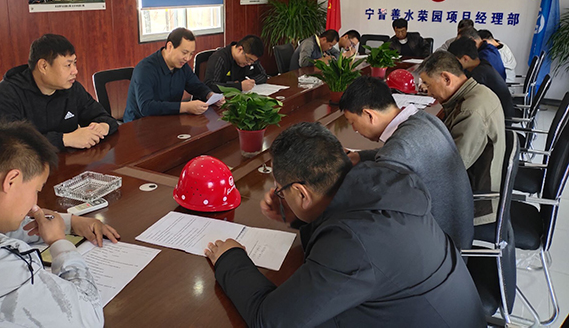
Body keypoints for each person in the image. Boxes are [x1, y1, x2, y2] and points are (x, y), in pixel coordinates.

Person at [204, 123, 485, 328]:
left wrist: (231, 258)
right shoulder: (380, 184)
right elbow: (334, 223)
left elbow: (269, 320)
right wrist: (298, 215)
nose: (280, 196)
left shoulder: (355, 241)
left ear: (301, 193)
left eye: (281, 190)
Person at [0, 122, 120, 327]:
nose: (35, 204)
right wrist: (60, 243)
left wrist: (69, 222)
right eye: (36, 190)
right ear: (11, 180)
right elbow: (87, 317)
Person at [339, 76, 474, 250]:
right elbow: (403, 152)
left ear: (369, 115)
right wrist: (359, 157)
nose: (354, 130)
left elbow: (377, 211)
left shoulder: (396, 152)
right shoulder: (424, 119)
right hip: (459, 231)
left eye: (353, 123)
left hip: (442, 250)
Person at [418, 51, 505, 225]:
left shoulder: (471, 111)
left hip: (475, 203)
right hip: (470, 185)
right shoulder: (476, 92)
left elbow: (449, 169)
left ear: (446, 78)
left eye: (428, 84)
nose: (427, 92)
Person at [0, 34, 118, 151]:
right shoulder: (8, 92)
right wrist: (65, 139)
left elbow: (104, 117)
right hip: (28, 166)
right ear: (43, 66)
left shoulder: (72, 88)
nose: (75, 71)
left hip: (69, 162)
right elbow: (10, 143)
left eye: (74, 63)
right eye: (68, 65)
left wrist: (103, 126)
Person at [123, 28, 223, 122]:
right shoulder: (145, 69)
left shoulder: (182, 66)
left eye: (191, 54)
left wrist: (210, 95)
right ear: (170, 46)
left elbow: (196, 86)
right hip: (140, 124)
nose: (187, 58)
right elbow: (146, 107)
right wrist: (186, 107)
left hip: (169, 119)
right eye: (184, 52)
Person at [448, 37, 514, 119]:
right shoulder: (482, 64)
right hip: (496, 111)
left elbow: (466, 98)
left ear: (465, 59)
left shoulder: (479, 74)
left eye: (454, 61)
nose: (453, 64)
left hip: (500, 117)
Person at [204, 35, 268, 93]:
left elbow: (263, 75)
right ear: (240, 49)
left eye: (252, 61)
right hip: (222, 99)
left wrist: (249, 82)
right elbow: (210, 85)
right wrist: (239, 86)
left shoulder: (251, 59)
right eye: (248, 59)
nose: (249, 64)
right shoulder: (219, 58)